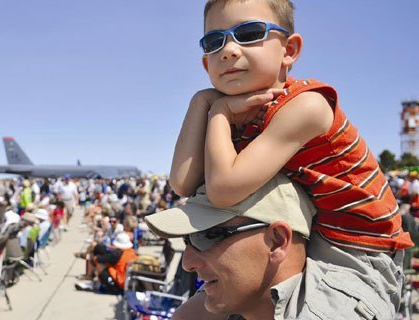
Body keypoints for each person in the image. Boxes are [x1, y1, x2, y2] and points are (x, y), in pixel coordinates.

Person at [168, 0, 410, 311]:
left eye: (250, 33)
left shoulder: (306, 106)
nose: (228, 49)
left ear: (290, 50)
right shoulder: (234, 113)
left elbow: (222, 191)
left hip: (358, 251)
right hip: (305, 240)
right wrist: (199, 102)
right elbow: (182, 182)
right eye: (215, 42)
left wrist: (218, 112)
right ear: (206, 64)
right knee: (188, 314)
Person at [147, 174, 396, 319]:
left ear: (277, 241)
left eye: (207, 236)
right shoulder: (244, 293)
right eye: (188, 239)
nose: (188, 263)